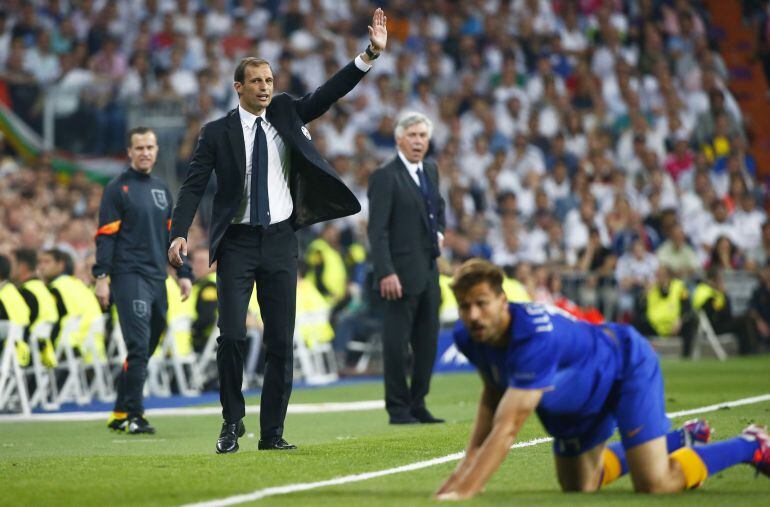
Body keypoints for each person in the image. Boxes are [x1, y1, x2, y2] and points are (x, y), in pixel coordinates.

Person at [168, 8, 388, 453]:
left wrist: (368, 55)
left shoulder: (287, 112)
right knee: (231, 335)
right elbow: (192, 187)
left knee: (280, 342)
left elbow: (327, 94)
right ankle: (232, 422)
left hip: (282, 241)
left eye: (269, 80)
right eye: (257, 81)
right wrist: (179, 232)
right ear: (239, 88)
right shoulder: (215, 134)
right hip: (237, 243)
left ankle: (272, 433)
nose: (266, 87)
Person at [435, 259, 769, 500]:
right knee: (580, 487)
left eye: (482, 304)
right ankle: (680, 439)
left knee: (654, 483)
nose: (473, 315)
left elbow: (507, 428)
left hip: (624, 365)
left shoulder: (532, 338)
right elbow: (493, 394)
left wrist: (466, 490)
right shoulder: (469, 334)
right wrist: (464, 467)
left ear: (503, 301)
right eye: (465, 307)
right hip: (585, 388)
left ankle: (751, 445)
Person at [93, 127, 193, 435]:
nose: (145, 152)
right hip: (128, 276)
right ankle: (135, 415)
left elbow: (171, 237)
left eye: (150, 147)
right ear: (129, 152)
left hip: (156, 277)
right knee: (138, 347)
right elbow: (105, 236)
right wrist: (101, 277)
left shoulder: (163, 189)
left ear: (157, 150)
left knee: (148, 345)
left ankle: (120, 410)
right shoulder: (117, 188)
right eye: (139, 148)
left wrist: (184, 273)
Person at [367, 111, 446, 425]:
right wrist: (386, 271)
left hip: (428, 270)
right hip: (398, 274)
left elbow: (437, 207)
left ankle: (418, 403)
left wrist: (439, 231)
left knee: (428, 341)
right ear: (399, 138)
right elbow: (377, 229)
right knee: (397, 345)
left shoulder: (431, 169)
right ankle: (398, 408)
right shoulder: (385, 174)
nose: (418, 141)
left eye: (422, 136)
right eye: (412, 135)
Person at [12, 248, 58, 367]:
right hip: (42, 351)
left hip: (26, 355)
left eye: (12, 263)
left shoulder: (26, 292)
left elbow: (19, 326)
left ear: (22, 266)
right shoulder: (41, 288)